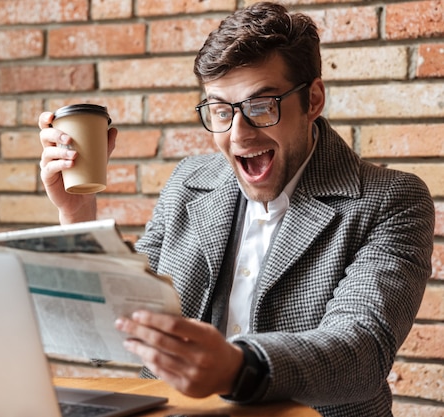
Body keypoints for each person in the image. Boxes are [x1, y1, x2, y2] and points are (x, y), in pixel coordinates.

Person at [38, 3, 435, 416]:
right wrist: (78, 215)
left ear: (313, 100)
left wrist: (237, 369)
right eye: (220, 110)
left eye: (262, 106)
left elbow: (361, 350)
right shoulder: (188, 182)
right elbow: (114, 328)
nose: (237, 134)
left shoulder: (393, 200)